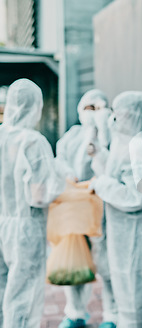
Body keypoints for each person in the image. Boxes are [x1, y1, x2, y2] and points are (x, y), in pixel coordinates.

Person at [90, 91, 142, 327]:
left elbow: (135, 197)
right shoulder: (126, 145)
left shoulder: (138, 148)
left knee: (132, 295)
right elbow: (117, 175)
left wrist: (102, 184)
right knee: (126, 294)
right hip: (123, 233)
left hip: (133, 235)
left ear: (131, 115)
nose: (113, 117)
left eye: (118, 112)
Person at [0, 78, 66, 327]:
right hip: (25, 230)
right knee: (23, 297)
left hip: (2, 222)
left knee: (3, 289)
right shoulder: (32, 141)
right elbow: (40, 195)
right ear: (34, 106)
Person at [56, 89, 117, 328]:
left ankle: (112, 315)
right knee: (75, 260)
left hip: (101, 207)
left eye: (97, 108)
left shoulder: (110, 135)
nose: (92, 114)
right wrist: (66, 173)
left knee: (107, 264)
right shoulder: (72, 135)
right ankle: (75, 313)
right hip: (75, 206)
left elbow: (112, 165)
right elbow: (59, 158)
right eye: (88, 108)